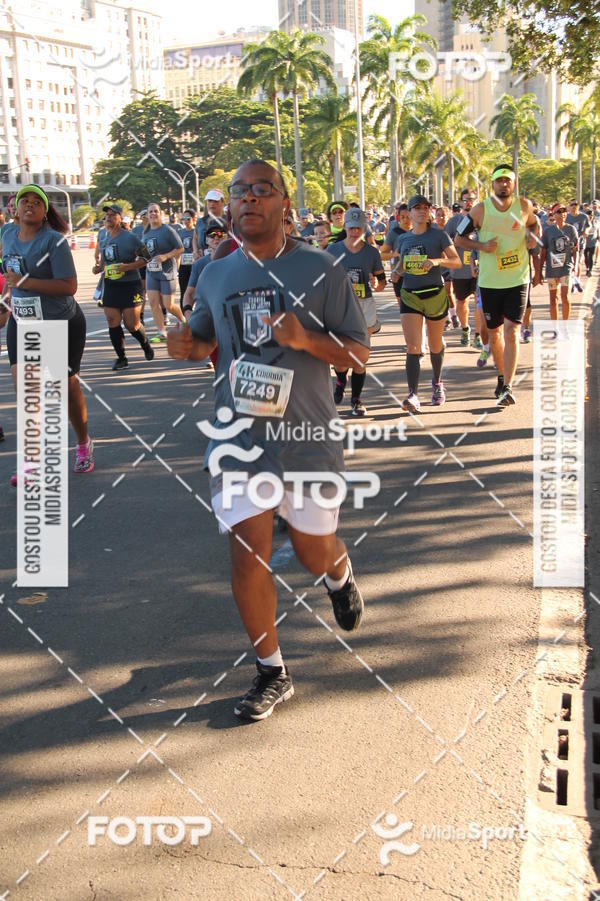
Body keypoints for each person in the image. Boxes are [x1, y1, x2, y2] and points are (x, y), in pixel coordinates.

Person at [167, 159, 369, 721]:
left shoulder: (322, 268)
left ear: (285, 202)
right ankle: (271, 671)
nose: (248, 199)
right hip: (238, 438)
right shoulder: (213, 273)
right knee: (247, 556)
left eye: (262, 190)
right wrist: (184, 344)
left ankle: (338, 571)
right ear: (228, 207)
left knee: (309, 549)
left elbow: (358, 353)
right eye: (239, 192)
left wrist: (305, 338)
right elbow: (202, 341)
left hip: (306, 437)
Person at [1, 184, 93, 479]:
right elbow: (7, 276)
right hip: (23, 321)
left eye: (36, 201)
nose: (29, 204)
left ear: (44, 212)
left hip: (59, 322)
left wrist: (25, 281)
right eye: (23, 200)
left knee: (65, 389)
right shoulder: (5, 235)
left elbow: (70, 286)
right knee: (28, 391)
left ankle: (83, 443)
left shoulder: (54, 241)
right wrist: (6, 303)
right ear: (14, 209)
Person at [454, 164, 540, 407]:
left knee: (512, 330)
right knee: (495, 334)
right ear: (492, 184)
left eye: (508, 180)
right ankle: (501, 377)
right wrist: (481, 247)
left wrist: (533, 237)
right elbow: (458, 238)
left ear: (514, 184)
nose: (504, 184)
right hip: (490, 282)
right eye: (499, 180)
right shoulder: (481, 210)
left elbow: (534, 224)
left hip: (517, 279)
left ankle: (509, 386)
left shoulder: (524, 206)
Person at [393, 194, 461, 412]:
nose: (422, 211)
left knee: (434, 344)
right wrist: (397, 271)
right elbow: (403, 263)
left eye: (425, 208)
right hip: (410, 294)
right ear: (409, 213)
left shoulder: (438, 236)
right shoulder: (403, 239)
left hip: (434, 294)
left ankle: (438, 383)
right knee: (413, 346)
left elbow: (456, 261)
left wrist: (437, 261)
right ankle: (412, 394)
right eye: (417, 208)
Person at [327, 207, 386, 416]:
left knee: (360, 356)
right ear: (345, 227)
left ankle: (356, 400)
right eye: (351, 228)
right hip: (339, 308)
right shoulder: (332, 250)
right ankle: (341, 379)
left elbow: (382, 282)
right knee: (341, 359)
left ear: (364, 229)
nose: (354, 232)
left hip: (364, 307)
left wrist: (375, 283)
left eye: (358, 229)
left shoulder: (371, 253)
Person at [92, 204, 155, 370]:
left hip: (130, 285)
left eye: (113, 215)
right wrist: (99, 267)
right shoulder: (104, 237)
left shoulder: (130, 237)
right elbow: (105, 260)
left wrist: (128, 267)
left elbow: (147, 258)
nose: (109, 218)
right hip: (111, 285)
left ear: (121, 218)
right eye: (107, 216)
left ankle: (145, 343)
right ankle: (122, 358)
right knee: (112, 320)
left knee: (131, 324)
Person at [142, 202, 185, 343]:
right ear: (147, 215)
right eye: (150, 212)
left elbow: (180, 248)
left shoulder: (167, 230)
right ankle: (162, 333)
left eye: (155, 211)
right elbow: (146, 250)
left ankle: (185, 322)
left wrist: (165, 256)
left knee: (168, 305)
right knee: (153, 303)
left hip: (167, 272)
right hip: (152, 272)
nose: (153, 214)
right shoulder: (146, 232)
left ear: (161, 214)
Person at [445, 188, 481, 347]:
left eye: (472, 199)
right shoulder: (454, 222)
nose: (469, 202)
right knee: (461, 303)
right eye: (466, 200)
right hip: (460, 270)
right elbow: (444, 244)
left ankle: (478, 335)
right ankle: (465, 328)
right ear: (461, 202)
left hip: (480, 270)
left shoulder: (482, 220)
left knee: (480, 303)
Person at [540, 203, 578, 321]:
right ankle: (555, 327)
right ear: (554, 215)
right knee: (553, 299)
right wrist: (540, 270)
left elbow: (575, 249)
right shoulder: (548, 231)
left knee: (565, 296)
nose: (562, 214)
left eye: (564, 212)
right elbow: (543, 252)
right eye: (559, 212)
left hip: (566, 267)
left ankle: (565, 326)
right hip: (552, 269)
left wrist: (576, 266)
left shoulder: (571, 229)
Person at [180, 223, 227, 320]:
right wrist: (188, 313)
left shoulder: (235, 261)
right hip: (205, 314)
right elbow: (189, 293)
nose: (216, 237)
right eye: (212, 235)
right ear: (207, 240)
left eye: (220, 234)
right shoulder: (199, 264)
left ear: (227, 237)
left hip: (227, 313)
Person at [193, 189, 226, 258]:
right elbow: (195, 238)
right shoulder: (200, 222)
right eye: (209, 201)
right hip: (204, 261)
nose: (212, 204)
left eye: (216, 201)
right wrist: (195, 251)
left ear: (222, 202)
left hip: (224, 260)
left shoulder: (230, 221)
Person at [177, 209, 196, 304]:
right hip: (183, 265)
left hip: (194, 266)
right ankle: (185, 316)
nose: (186, 221)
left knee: (194, 291)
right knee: (183, 291)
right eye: (183, 218)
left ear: (193, 219)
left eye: (188, 218)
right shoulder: (180, 232)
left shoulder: (197, 232)